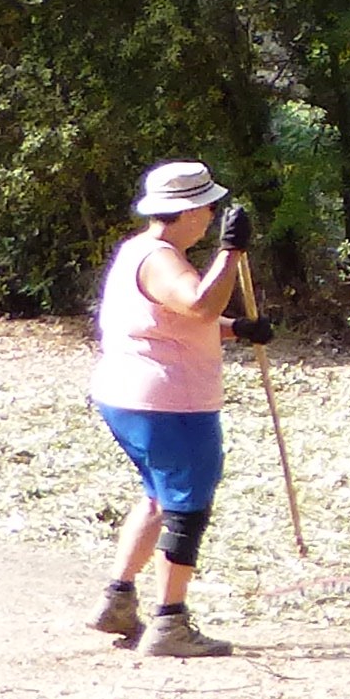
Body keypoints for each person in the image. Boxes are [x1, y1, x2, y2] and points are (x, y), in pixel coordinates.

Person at [88, 160, 264, 658]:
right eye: (206, 207)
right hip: (170, 403)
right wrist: (231, 254)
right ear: (188, 211)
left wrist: (239, 329)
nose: (210, 215)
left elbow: (170, 320)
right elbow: (200, 304)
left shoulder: (137, 251)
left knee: (157, 497)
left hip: (129, 395)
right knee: (187, 507)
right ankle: (170, 622)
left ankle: (117, 600)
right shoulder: (164, 260)